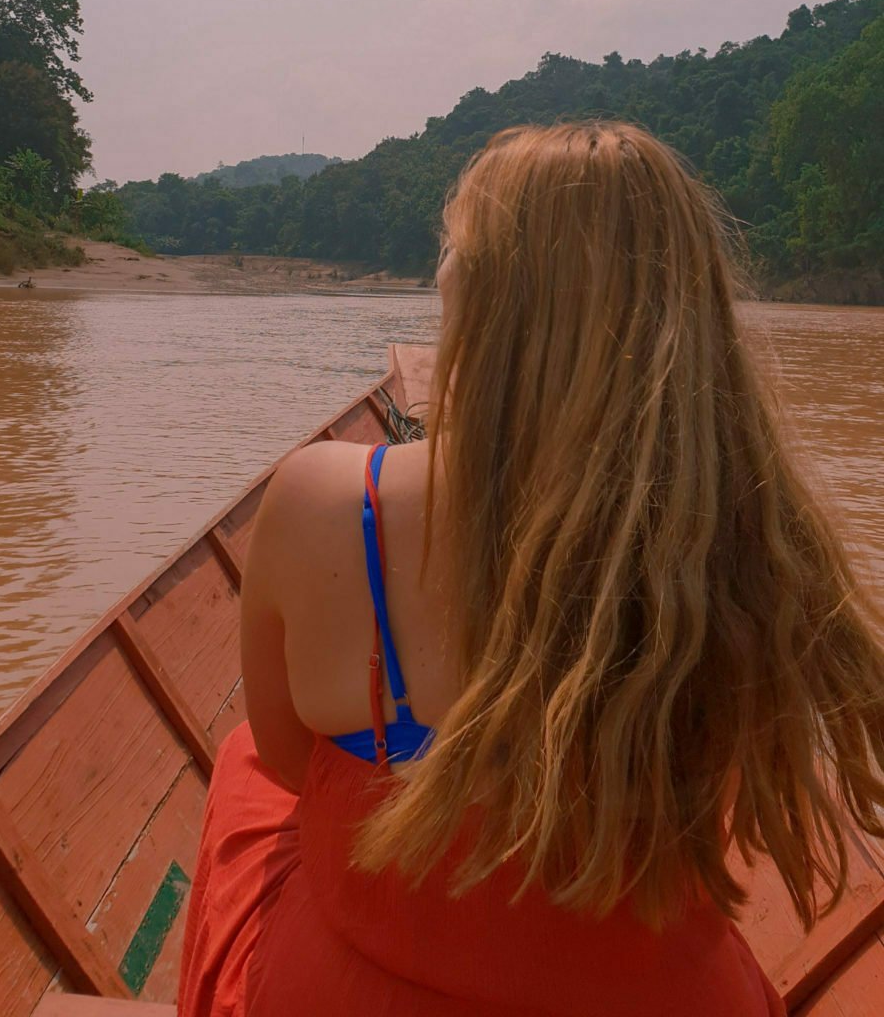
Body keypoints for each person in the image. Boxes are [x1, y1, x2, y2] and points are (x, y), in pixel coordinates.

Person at [178, 122, 884, 1016]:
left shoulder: (323, 501)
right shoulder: (747, 530)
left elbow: (288, 763)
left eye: (451, 249)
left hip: (361, 985)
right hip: (666, 997)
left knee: (243, 763)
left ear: (478, 296)